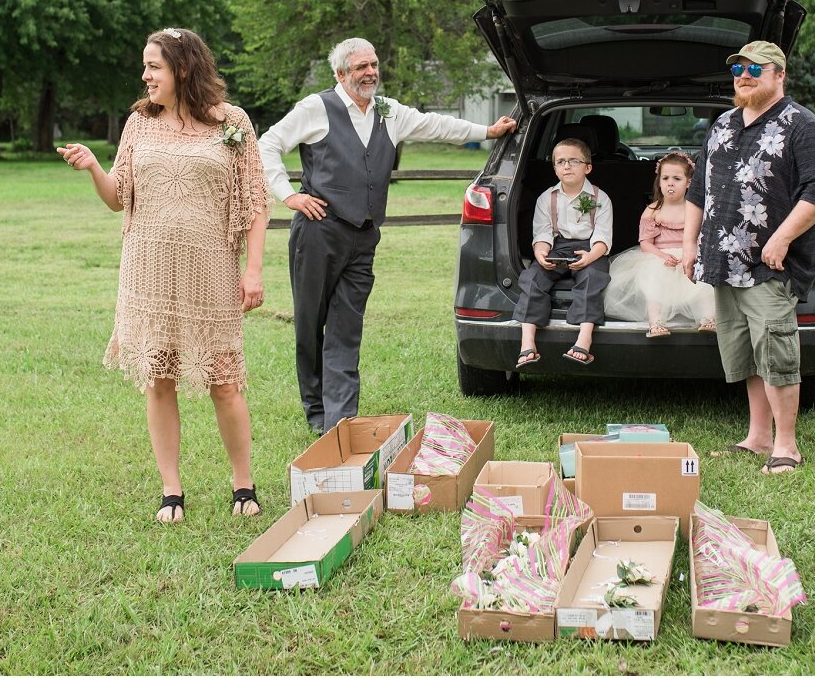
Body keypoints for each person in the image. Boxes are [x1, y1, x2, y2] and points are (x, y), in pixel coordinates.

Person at [59, 27, 268, 524]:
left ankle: (243, 484)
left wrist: (253, 271)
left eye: (154, 66)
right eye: (146, 66)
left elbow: (257, 201)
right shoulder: (139, 122)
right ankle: (171, 491)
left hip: (210, 272)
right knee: (159, 379)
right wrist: (93, 167)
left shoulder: (230, 122)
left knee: (225, 382)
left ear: (183, 69)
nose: (146, 75)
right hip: (148, 271)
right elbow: (118, 198)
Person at [258, 38, 516, 433]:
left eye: (374, 64)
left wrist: (487, 130)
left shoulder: (388, 111)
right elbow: (268, 144)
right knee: (310, 325)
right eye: (361, 67)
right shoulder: (316, 108)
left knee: (347, 326)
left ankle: (338, 422)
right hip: (318, 234)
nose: (371, 73)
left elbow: (436, 124)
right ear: (341, 73)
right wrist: (289, 195)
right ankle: (315, 407)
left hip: (363, 238)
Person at [681, 40, 815, 476]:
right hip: (723, 262)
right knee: (747, 351)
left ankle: (786, 445)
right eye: (737, 69)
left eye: (755, 68)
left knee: (777, 352)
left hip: (771, 264)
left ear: (779, 74)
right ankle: (757, 437)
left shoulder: (802, 126)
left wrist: (783, 238)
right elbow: (699, 190)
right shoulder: (723, 125)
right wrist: (690, 244)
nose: (744, 75)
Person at [513, 137, 614, 368]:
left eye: (573, 161)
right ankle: (527, 343)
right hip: (557, 248)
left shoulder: (601, 198)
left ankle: (583, 339)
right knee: (533, 278)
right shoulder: (546, 198)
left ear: (588, 167)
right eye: (560, 162)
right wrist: (540, 253)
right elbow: (542, 234)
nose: (566, 166)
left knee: (592, 279)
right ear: (555, 168)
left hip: (590, 249)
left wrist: (589, 257)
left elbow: (603, 237)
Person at [604, 151, 716, 336]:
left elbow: (703, 238)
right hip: (659, 257)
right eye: (665, 178)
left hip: (688, 255)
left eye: (677, 178)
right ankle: (655, 323)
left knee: (704, 283)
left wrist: (692, 253)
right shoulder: (653, 210)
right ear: (659, 181)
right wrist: (662, 256)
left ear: (688, 182)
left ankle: (708, 319)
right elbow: (645, 243)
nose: (670, 183)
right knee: (653, 278)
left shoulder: (694, 209)